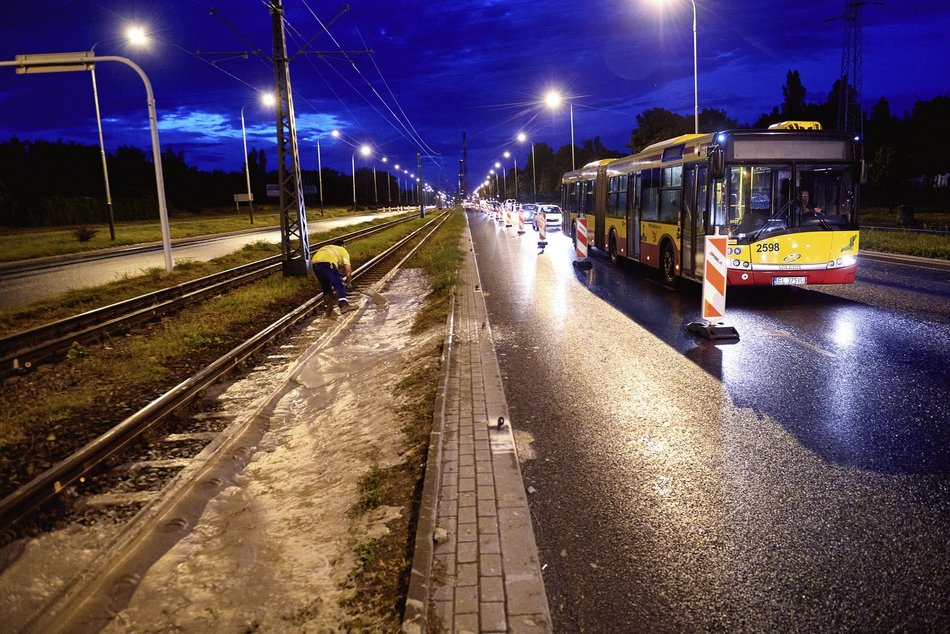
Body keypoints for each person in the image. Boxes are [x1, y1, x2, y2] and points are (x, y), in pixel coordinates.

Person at [311, 239, 356, 315]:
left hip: (315, 264)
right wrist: (348, 283)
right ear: (343, 245)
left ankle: (329, 310)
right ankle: (343, 305)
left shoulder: (328, 248)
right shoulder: (343, 250)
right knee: (339, 283)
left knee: (326, 287)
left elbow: (336, 262)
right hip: (328, 264)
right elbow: (348, 271)